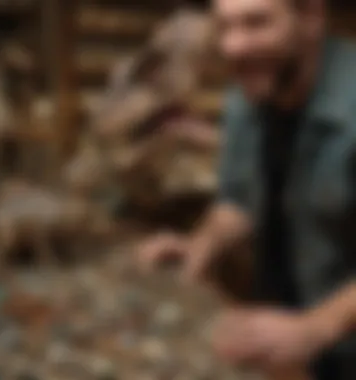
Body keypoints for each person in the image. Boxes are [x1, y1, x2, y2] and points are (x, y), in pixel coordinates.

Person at [137, 0, 356, 379]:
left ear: (312, 18)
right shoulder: (250, 91)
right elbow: (237, 201)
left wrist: (318, 327)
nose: (233, 47)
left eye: (257, 23)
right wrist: (199, 247)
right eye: (224, 27)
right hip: (286, 341)